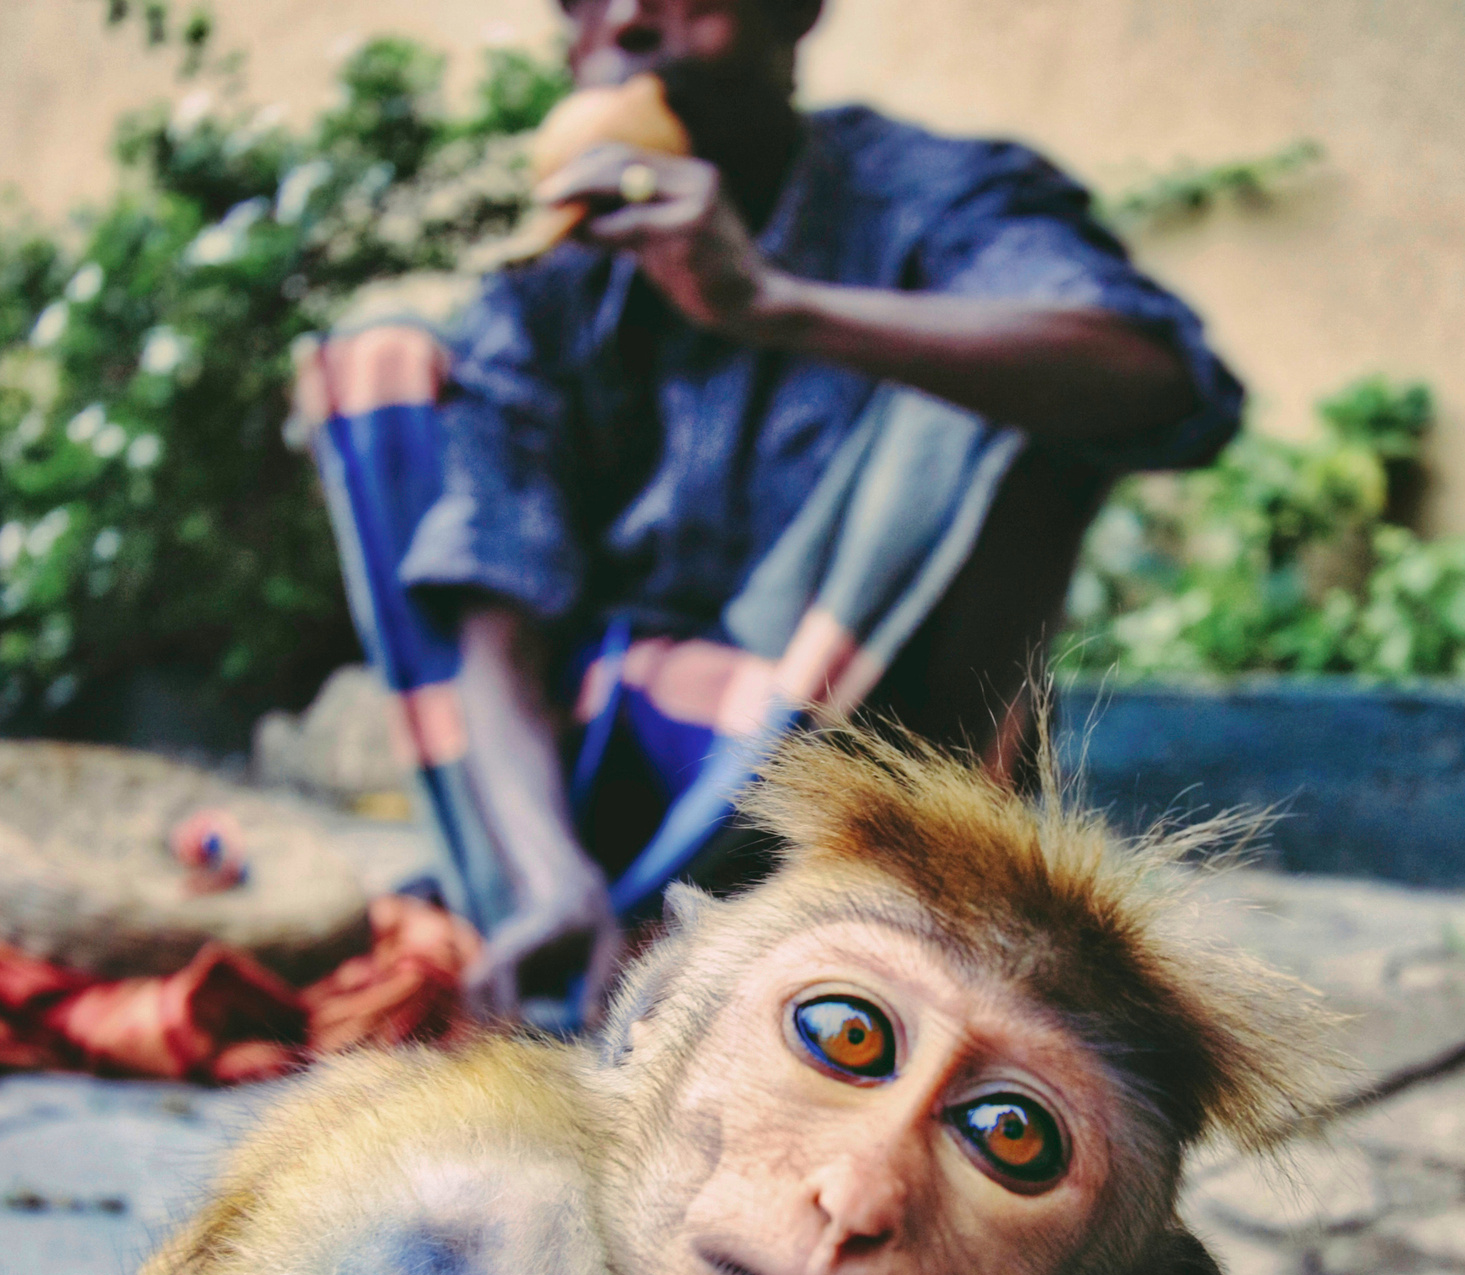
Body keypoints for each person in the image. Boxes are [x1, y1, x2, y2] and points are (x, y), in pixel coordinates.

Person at [400, 0, 1246, 1014]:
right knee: (380, 380)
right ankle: (580, 916)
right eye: (582, 0)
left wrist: (767, 304)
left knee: (1007, 393)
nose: (621, 20)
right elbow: (501, 631)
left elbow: (1161, 385)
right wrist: (551, 879)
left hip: (869, 774)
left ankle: (913, 917)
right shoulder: (545, 285)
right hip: (612, 792)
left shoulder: (931, 200)